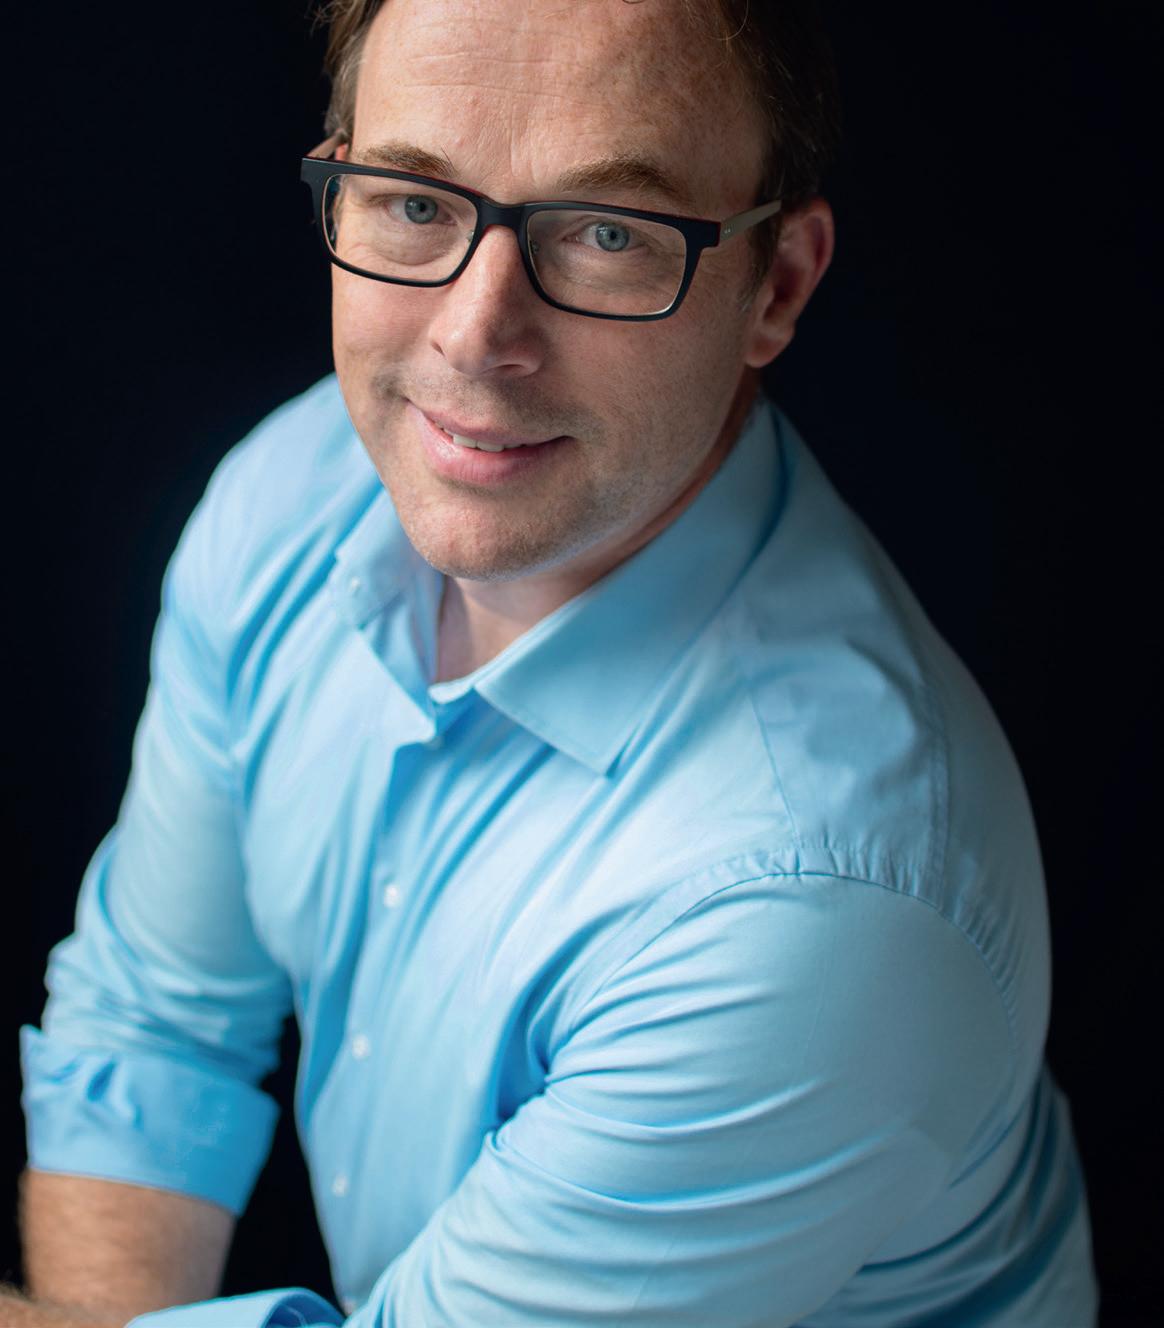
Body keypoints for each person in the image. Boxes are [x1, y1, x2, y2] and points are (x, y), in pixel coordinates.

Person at [8, 1, 1099, 1325]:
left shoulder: (819, 902)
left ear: (777, 286)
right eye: (415, 202)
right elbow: (151, 1039)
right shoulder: (296, 495)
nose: (474, 337)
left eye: (607, 232)